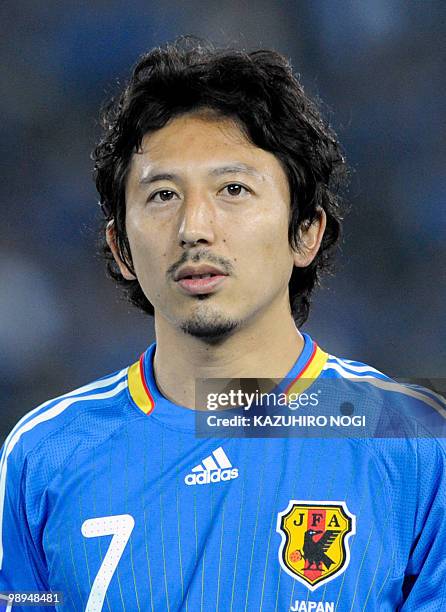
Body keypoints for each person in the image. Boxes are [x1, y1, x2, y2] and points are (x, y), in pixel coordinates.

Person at [0, 38, 445, 612]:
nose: (195, 227)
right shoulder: (43, 454)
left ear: (306, 230)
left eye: (233, 189)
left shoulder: (414, 441)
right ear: (120, 247)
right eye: (162, 194)